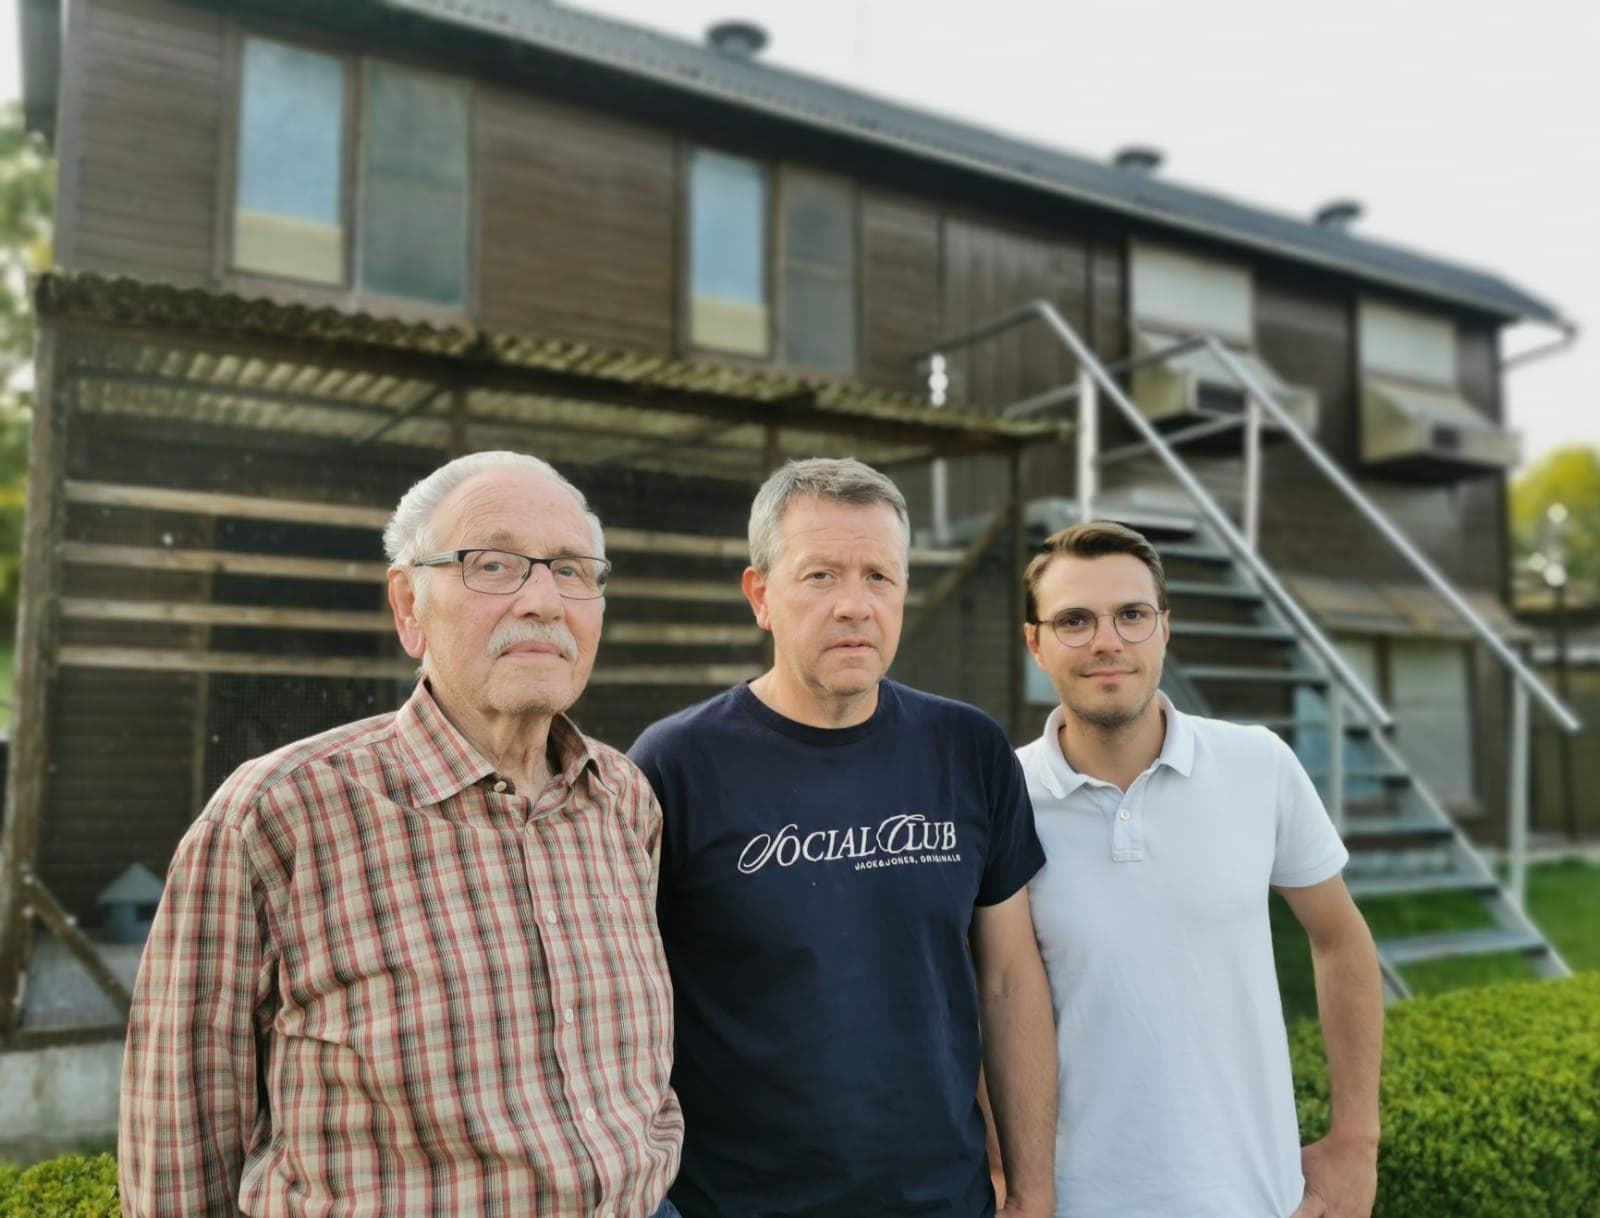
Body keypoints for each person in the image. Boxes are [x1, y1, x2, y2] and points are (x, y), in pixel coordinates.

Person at [120, 450, 682, 1218]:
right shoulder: (276, 815)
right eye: (494, 564)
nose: (546, 601)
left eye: (575, 570)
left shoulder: (623, 801)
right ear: (408, 607)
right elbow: (178, 1134)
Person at [630, 457, 1058, 1218]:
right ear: (761, 594)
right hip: (734, 1204)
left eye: (879, 577)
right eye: (821, 576)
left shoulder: (967, 749)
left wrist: (1029, 1186)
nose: (855, 606)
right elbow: (623, 1010)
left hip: (943, 1201)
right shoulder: (675, 766)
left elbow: (1009, 979)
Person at [1017, 521, 1383, 1218]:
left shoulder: (1259, 763)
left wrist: (1355, 1142)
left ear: (1164, 630)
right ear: (1035, 643)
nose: (1107, 641)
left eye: (1132, 615)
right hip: (1071, 1204)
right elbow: (981, 995)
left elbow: (1340, 940)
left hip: (1258, 1199)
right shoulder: (999, 796)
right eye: (1074, 620)